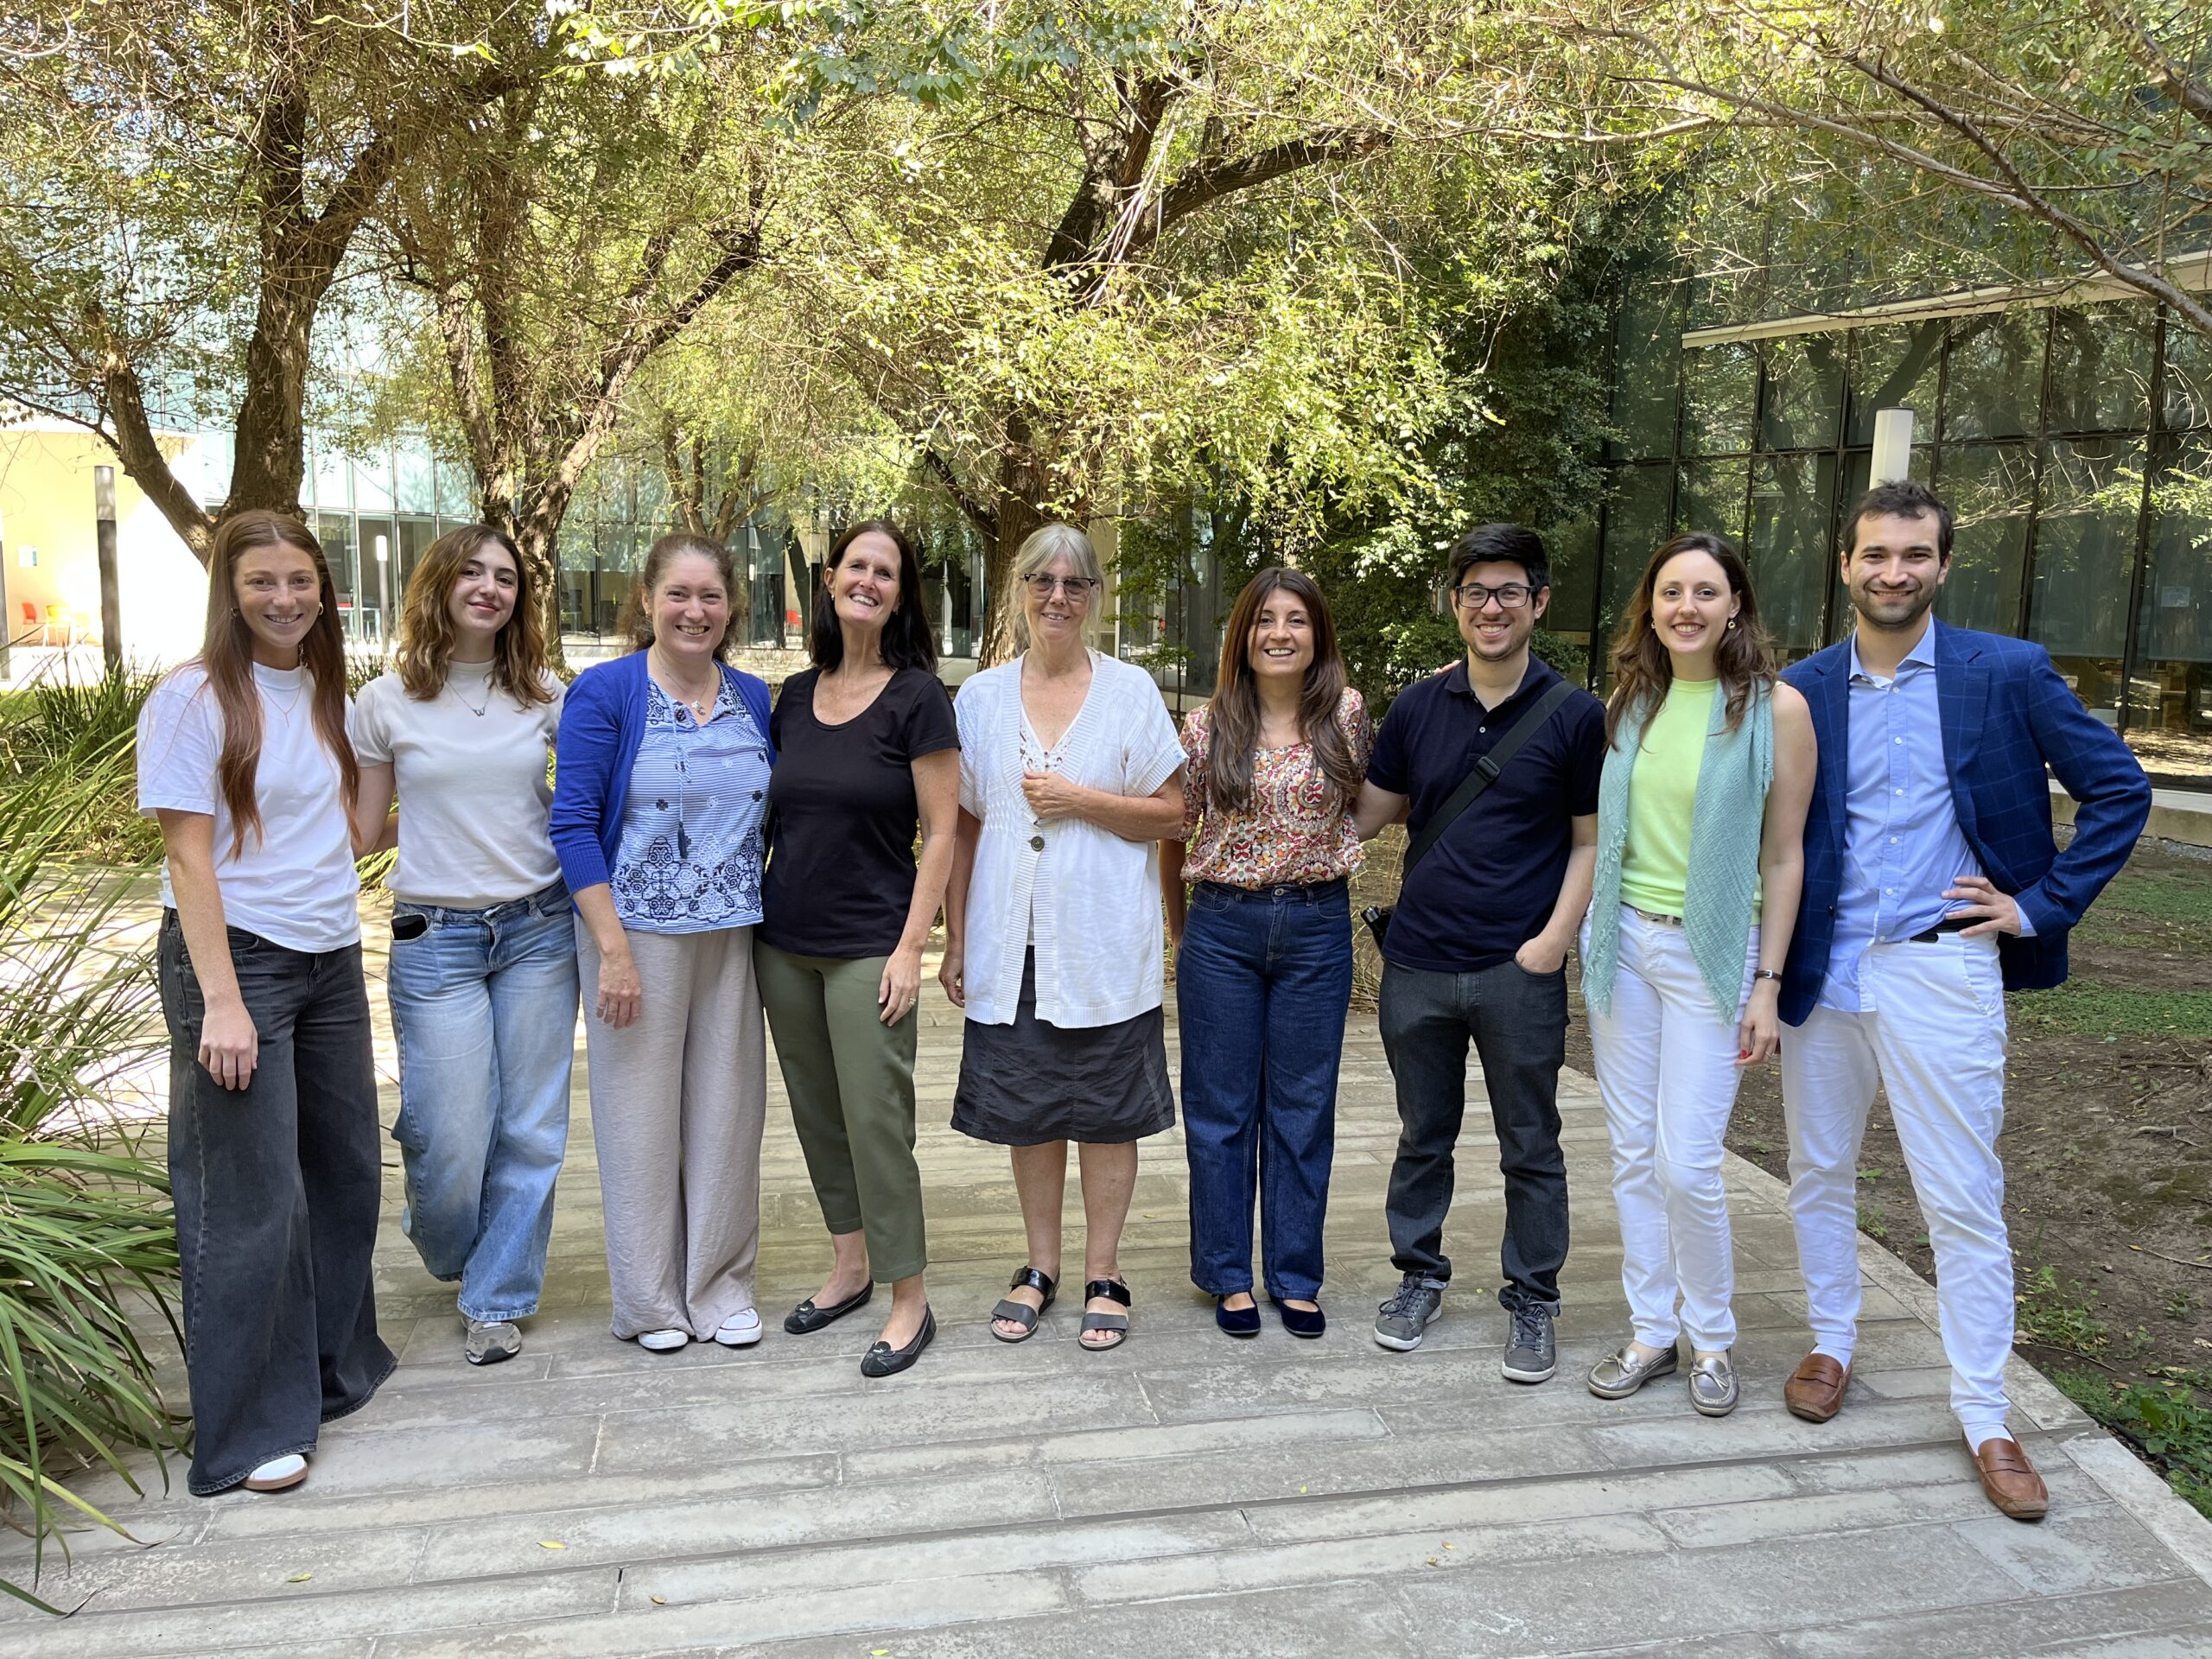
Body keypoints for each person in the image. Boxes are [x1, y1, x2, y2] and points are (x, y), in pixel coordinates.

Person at [1777, 479, 2150, 1520]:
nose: (1892, 572)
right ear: (1845, 566)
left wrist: (2040, 906)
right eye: (1874, 554)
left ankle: (1985, 1412)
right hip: (1825, 971)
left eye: (1913, 555)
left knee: (1960, 1194)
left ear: (1942, 565)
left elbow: (2119, 788)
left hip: (1940, 968)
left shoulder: (2008, 671)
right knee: (1817, 1170)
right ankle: (1831, 1342)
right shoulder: (1802, 688)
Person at [138, 510, 391, 1496]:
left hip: (330, 959)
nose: (284, 599)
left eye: (299, 581)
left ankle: (331, 1371)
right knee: (249, 1199)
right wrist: (222, 1002)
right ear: (230, 593)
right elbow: (186, 858)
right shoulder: (193, 697)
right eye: (261, 583)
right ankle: (248, 1433)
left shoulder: (326, 691)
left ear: (324, 590)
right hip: (238, 963)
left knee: (344, 1171)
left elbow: (351, 834)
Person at [1352, 523, 1605, 1383]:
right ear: (1453, 604)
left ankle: (1533, 1297)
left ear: (1538, 602)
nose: (1490, 608)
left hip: (1518, 968)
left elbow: (1589, 841)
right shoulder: (1417, 708)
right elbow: (1365, 816)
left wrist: (1552, 943)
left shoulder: (1575, 716)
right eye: (1474, 593)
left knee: (1530, 1143)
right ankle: (1419, 1276)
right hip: (1417, 964)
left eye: (1508, 592)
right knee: (1422, 1136)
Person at [1577, 533, 1815, 1416]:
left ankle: (1711, 1336)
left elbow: (1784, 857)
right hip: (1623, 945)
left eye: (1705, 592)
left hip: (1712, 955)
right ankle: (1652, 1331)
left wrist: (1768, 982)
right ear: (1650, 606)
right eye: (1671, 591)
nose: (1686, 607)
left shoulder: (1775, 709)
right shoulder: (1630, 701)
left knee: (1688, 1163)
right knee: (1633, 1154)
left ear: (1735, 605)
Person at [941, 523, 1185, 1351]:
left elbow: (1174, 813)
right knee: (1030, 1109)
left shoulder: (1130, 692)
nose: (1057, 596)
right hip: (1011, 943)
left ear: (1093, 598)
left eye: (1074, 583)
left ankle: (1103, 1272)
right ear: (1019, 591)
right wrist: (957, 939)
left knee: (1109, 1112)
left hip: (1103, 942)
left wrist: (1081, 801)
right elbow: (963, 827)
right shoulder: (979, 699)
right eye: (1042, 581)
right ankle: (1040, 1266)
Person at [349, 524, 575, 1369]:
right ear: (439, 584)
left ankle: (496, 1297)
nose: (490, 588)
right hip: (434, 938)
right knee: (449, 1133)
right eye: (473, 573)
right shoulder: (384, 702)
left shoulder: (545, 697)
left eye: (506, 577)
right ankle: (449, 1242)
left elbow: (583, 802)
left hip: (539, 928)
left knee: (530, 1127)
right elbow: (364, 831)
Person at [548, 532, 776, 1355]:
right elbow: (573, 824)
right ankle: (648, 1303)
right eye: (678, 594)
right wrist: (612, 951)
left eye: (710, 596)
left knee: (727, 1115)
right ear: (647, 600)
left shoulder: (754, 696)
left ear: (730, 607)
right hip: (634, 937)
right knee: (640, 1121)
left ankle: (718, 1288)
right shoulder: (607, 691)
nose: (694, 611)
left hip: (733, 936)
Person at [757, 519, 960, 1378]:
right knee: (817, 1114)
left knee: (876, 1123)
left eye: (885, 571)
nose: (867, 581)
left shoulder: (919, 698)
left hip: (870, 945)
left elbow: (943, 832)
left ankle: (909, 1298)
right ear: (830, 580)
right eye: (855, 566)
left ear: (900, 594)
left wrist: (913, 948)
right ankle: (850, 1265)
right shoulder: (793, 696)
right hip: (782, 944)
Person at [1163, 568, 1372, 1339]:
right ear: (1243, 635)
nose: (1280, 633)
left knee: (1304, 1108)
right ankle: (1227, 1274)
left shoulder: (1347, 716)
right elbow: (1176, 831)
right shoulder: (1205, 727)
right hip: (1223, 927)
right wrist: (1183, 930)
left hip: (1317, 926)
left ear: (1317, 635)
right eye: (1264, 620)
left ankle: (1295, 1275)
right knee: (1220, 1110)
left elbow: (1374, 804)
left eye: (1296, 620)